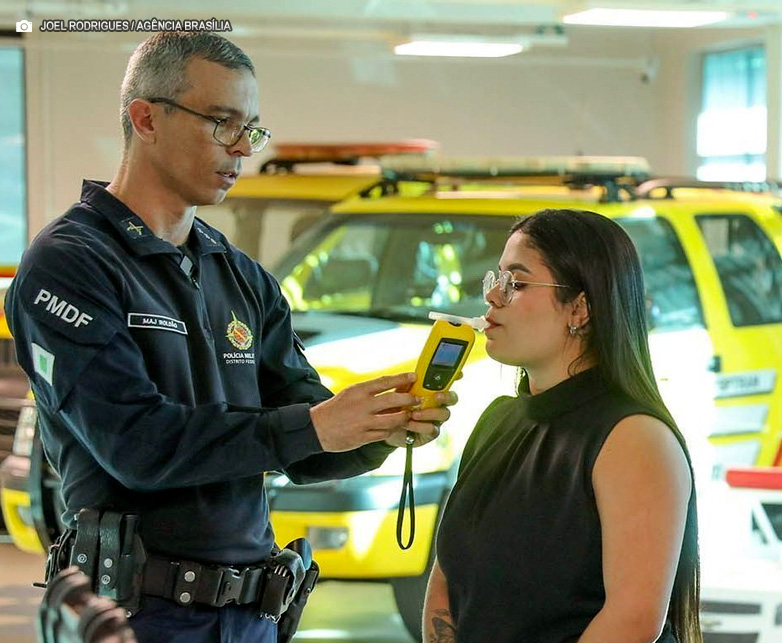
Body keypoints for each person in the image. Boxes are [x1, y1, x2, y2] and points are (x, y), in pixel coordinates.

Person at [5, 31, 455, 643]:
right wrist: (319, 425)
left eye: (252, 128)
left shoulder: (242, 278)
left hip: (250, 615)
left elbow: (304, 437)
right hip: (137, 617)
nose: (243, 148)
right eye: (222, 122)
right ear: (146, 119)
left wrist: (378, 427)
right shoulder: (70, 266)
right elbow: (138, 445)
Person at [423, 209, 701, 643]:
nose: (494, 297)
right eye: (495, 279)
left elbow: (632, 620)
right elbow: (448, 578)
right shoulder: (498, 419)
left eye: (516, 282)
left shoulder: (635, 437)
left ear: (581, 307)